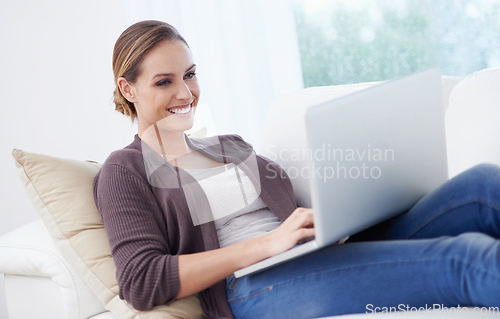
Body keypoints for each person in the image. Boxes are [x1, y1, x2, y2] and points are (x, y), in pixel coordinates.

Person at [94, 20, 500, 319]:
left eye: (190, 75)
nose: (185, 93)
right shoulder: (124, 170)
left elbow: (294, 209)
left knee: (482, 185)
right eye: (164, 82)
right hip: (250, 286)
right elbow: (141, 280)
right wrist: (266, 246)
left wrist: (342, 212)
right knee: (465, 259)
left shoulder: (229, 147)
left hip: (315, 252)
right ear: (128, 90)